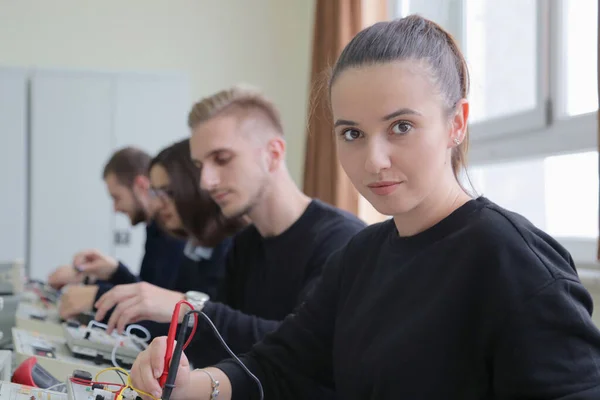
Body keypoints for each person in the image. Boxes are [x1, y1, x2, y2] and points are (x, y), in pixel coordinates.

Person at [130, 15, 600, 400]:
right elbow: (278, 364)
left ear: (456, 123)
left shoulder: (516, 263)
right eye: (352, 133)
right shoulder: (360, 257)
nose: (374, 160)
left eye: (401, 126)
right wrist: (188, 385)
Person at [95, 84, 366, 379]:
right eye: (200, 165)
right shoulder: (246, 244)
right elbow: (225, 348)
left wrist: (188, 309)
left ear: (273, 154)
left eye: (222, 160)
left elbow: (306, 348)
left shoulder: (341, 241)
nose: (206, 182)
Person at [91, 138, 246, 332]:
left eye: (165, 192)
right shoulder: (189, 240)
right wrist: (114, 273)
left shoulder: (230, 243)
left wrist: (97, 297)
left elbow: (179, 318)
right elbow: (157, 304)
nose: (156, 204)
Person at [49, 147, 186, 319]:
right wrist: (112, 272)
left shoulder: (176, 233)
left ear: (141, 185)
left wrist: (95, 295)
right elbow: (146, 290)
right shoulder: (155, 230)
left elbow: (163, 313)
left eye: (117, 197)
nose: (115, 208)